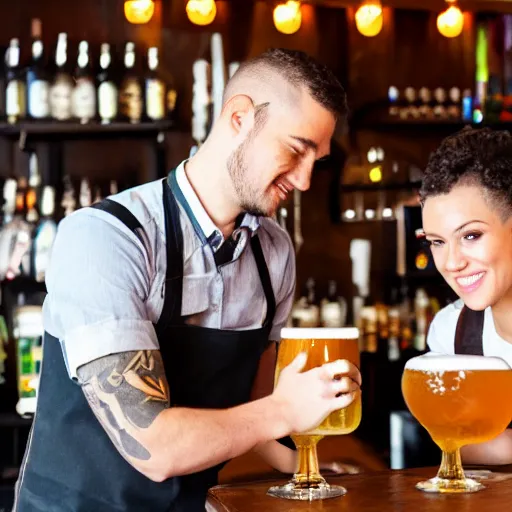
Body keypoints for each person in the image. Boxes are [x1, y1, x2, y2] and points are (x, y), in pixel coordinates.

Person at [13, 48, 362, 512]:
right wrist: (285, 410)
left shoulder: (273, 253)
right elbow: (155, 447)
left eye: (315, 160)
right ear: (239, 117)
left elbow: (251, 408)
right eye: (296, 150)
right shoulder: (107, 236)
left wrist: (295, 461)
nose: (303, 181)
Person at [420, 126, 512, 466]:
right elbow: (453, 439)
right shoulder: (450, 331)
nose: (452, 263)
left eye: (471, 235)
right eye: (437, 241)